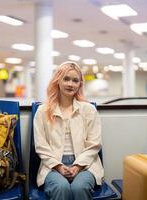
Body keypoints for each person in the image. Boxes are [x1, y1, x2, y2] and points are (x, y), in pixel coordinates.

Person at [34, 61, 104, 200]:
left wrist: (77, 166)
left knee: (79, 188)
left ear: (80, 85)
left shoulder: (89, 110)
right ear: (57, 80)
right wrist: (58, 166)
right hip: (52, 165)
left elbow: (94, 144)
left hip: (85, 164)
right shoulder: (43, 111)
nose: (70, 84)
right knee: (61, 188)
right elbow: (41, 146)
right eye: (66, 79)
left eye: (75, 80)